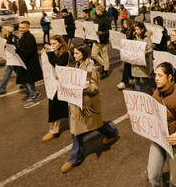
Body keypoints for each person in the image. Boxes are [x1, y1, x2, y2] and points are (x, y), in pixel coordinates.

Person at [61, 44, 119, 173]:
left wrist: (84, 86)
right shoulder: (77, 64)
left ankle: (111, 132)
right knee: (77, 130)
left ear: (84, 53)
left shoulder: (90, 68)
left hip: (87, 104)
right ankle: (75, 157)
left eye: (76, 53)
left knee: (95, 124)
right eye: (74, 53)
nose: (74, 56)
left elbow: (94, 88)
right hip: (77, 104)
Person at [147, 62, 176, 187]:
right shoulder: (157, 91)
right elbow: (151, 110)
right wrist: (137, 115)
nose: (156, 78)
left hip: (175, 143)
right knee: (152, 176)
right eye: (155, 75)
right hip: (159, 138)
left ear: (170, 77)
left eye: (160, 75)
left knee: (175, 180)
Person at [41, 35, 70, 142]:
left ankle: (78, 125)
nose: (52, 46)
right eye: (51, 43)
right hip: (54, 85)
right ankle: (53, 130)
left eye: (55, 44)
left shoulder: (66, 53)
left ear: (61, 43)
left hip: (64, 84)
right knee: (53, 106)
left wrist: (49, 51)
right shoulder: (53, 52)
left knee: (69, 106)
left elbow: (56, 61)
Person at [15, 21, 43, 108]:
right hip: (25, 62)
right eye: (20, 27)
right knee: (26, 80)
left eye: (23, 28)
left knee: (29, 80)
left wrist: (18, 50)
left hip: (30, 63)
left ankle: (33, 97)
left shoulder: (29, 37)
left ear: (28, 28)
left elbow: (30, 51)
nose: (21, 29)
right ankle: (33, 93)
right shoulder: (24, 36)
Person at [0, 25, 20, 95]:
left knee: (6, 74)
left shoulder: (13, 38)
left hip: (12, 59)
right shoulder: (6, 37)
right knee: (19, 73)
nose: (1, 30)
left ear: (7, 31)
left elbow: (15, 48)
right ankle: (28, 86)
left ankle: (0, 89)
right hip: (10, 58)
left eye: (3, 29)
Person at [131, 22, 154, 95]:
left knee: (144, 77)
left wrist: (146, 52)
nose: (136, 31)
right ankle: (138, 94)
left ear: (142, 29)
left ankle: (152, 89)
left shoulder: (147, 39)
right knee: (136, 78)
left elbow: (150, 49)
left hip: (143, 62)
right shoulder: (135, 37)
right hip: (136, 61)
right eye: (135, 29)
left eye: (138, 29)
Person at [92, 5, 111, 79]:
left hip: (103, 39)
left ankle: (105, 70)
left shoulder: (106, 19)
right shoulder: (96, 18)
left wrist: (102, 33)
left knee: (104, 55)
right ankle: (104, 65)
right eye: (96, 10)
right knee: (93, 54)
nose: (96, 12)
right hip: (96, 39)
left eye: (98, 10)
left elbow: (109, 29)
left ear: (101, 11)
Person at [116, 18, 135, 89]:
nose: (124, 24)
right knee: (128, 65)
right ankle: (132, 78)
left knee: (126, 66)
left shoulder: (133, 31)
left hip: (131, 51)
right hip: (125, 50)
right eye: (123, 23)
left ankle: (124, 82)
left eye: (125, 23)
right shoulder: (123, 30)